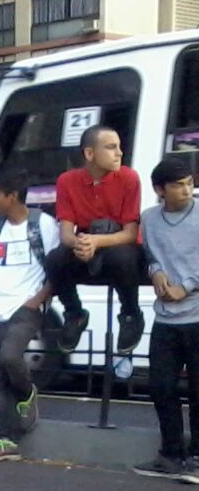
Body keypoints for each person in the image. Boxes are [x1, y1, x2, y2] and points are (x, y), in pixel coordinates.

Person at [0, 172, 61, 463]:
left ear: (12, 196)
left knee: (10, 356)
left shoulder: (43, 225)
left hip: (26, 306)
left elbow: (57, 270)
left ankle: (28, 394)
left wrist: (37, 300)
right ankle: (7, 439)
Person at [46, 125, 145, 355]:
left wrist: (96, 242)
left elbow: (130, 233)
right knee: (55, 259)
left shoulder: (129, 178)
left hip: (119, 243)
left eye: (119, 147)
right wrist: (80, 244)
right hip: (86, 242)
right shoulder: (66, 181)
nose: (119, 153)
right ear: (89, 154)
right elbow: (66, 233)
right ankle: (75, 314)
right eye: (111, 147)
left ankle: (131, 315)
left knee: (123, 257)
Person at [133, 157, 199, 482]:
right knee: (161, 387)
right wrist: (155, 271)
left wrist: (185, 287)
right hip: (166, 320)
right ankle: (171, 454)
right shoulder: (149, 219)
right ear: (160, 190)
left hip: (197, 314)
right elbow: (151, 255)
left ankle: (198, 459)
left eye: (189, 182)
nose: (187, 190)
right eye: (178, 185)